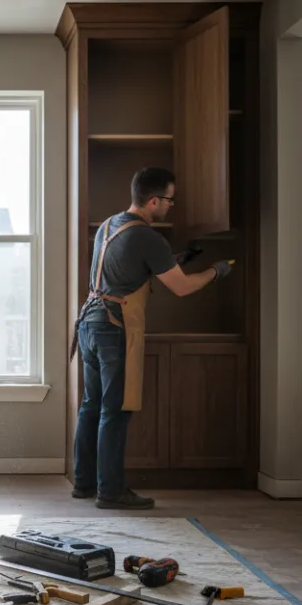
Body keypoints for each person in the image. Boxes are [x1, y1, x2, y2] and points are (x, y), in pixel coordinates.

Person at [68, 167, 233, 509]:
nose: (172, 206)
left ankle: (84, 484)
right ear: (154, 200)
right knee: (115, 411)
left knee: (92, 406)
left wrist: (178, 259)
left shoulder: (110, 224)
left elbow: (130, 267)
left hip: (89, 323)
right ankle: (111, 492)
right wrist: (216, 271)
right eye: (170, 200)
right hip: (114, 327)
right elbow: (182, 287)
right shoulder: (148, 237)